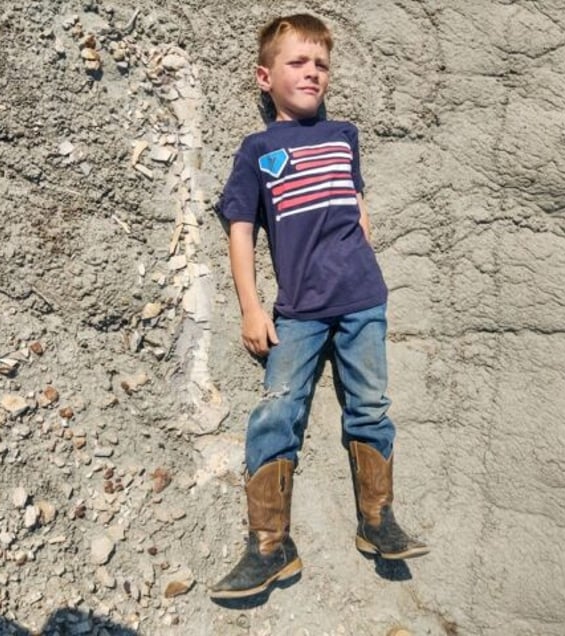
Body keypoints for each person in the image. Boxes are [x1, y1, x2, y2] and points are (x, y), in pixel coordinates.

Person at [209, 13, 429, 600]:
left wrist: (361, 230)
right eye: (298, 63)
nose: (312, 73)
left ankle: (377, 522)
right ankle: (268, 547)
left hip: (362, 299)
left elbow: (355, 203)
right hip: (299, 311)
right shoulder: (257, 149)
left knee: (371, 408)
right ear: (265, 76)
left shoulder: (343, 135)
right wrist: (251, 308)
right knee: (277, 412)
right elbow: (239, 227)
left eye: (322, 64)